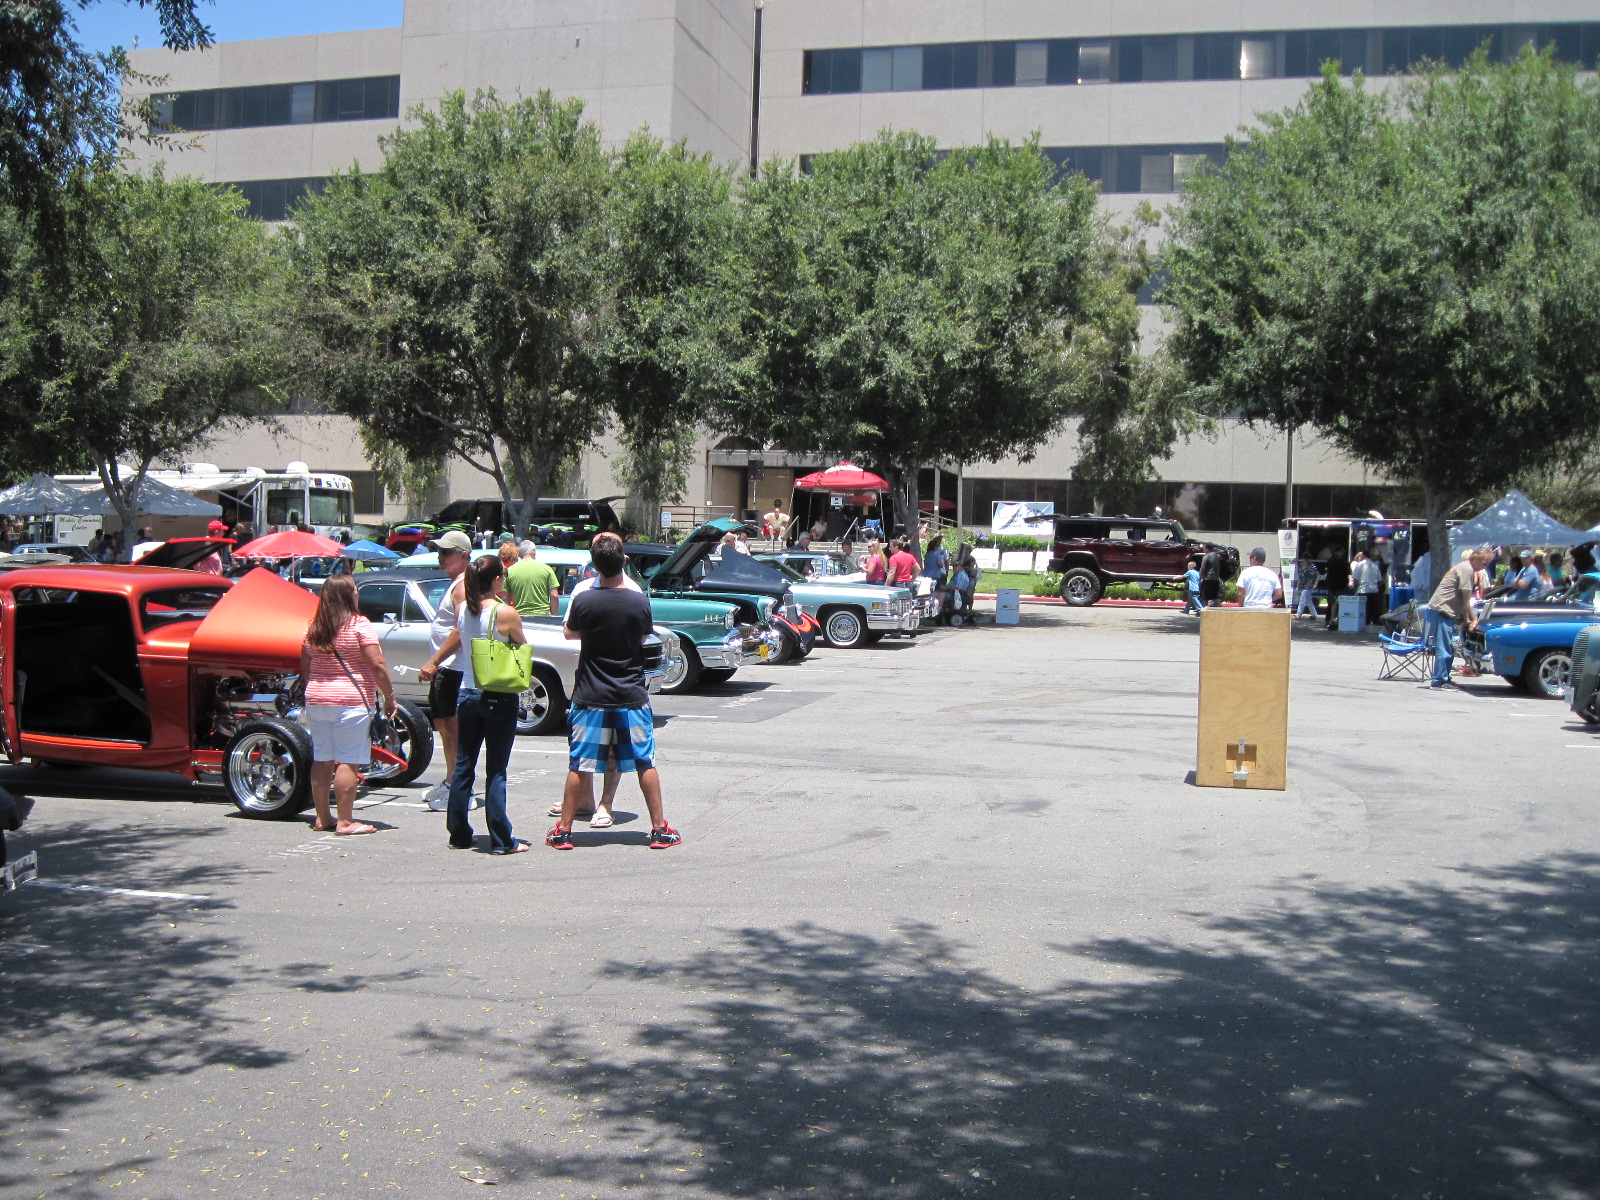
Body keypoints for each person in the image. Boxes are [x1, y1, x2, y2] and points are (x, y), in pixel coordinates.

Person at [549, 532, 680, 851]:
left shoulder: (584, 599)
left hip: (590, 693)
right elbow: (642, 637)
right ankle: (658, 829)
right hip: (630, 693)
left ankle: (564, 831)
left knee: (579, 762)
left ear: (594, 565)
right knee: (644, 761)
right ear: (623, 561)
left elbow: (569, 633)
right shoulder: (638, 600)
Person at [420, 555, 530, 854]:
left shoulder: (463, 611)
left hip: (467, 692)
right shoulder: (505, 613)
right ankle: (502, 839)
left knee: (464, 765)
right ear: (496, 580)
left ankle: (458, 833)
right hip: (498, 694)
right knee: (496, 768)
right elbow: (521, 645)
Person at [299, 576, 395, 836]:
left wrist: (318, 687)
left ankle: (322, 816)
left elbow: (306, 665)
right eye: (354, 589)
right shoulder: (359, 624)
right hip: (350, 701)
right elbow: (377, 664)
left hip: (317, 699)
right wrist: (389, 695)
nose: (357, 592)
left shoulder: (314, 627)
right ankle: (345, 821)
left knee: (322, 758)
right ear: (347, 595)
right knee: (349, 760)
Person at [421, 530, 472, 810]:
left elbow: (460, 629)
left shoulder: (463, 586)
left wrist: (434, 661)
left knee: (453, 730)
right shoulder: (455, 584)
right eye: (439, 552)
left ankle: (460, 787)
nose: (441, 557)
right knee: (443, 726)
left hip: (454, 669)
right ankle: (452, 780)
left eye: (446, 553)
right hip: (447, 669)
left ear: (463, 556)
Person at [1427, 547, 1488, 689]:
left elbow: (1462, 599)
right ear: (1475, 558)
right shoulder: (1467, 570)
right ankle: (1439, 681)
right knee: (1444, 647)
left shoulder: (1465, 568)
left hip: (1444, 611)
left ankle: (1445, 677)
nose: (1484, 567)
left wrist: (1466, 620)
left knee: (1449, 647)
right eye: (1484, 563)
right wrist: (1474, 619)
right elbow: (1467, 599)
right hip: (1441, 611)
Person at [506, 539, 559, 617]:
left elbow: (505, 597)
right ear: (534, 552)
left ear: (519, 554)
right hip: (543, 615)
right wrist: (553, 616)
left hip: (520, 616)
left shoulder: (509, 571)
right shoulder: (547, 569)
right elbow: (554, 595)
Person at [1323, 548, 1351, 630]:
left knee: (1332, 603)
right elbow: (1346, 571)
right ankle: (1335, 621)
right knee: (1338, 604)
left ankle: (1329, 620)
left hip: (1331, 585)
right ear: (1337, 552)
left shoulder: (1330, 560)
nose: (1343, 553)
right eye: (1342, 552)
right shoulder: (1340, 561)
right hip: (1340, 586)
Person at [1292, 554, 1320, 619]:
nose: (1305, 560)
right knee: (1308, 600)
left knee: (1302, 599)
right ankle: (1314, 614)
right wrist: (1298, 583)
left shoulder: (1312, 566)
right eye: (1304, 559)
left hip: (1309, 584)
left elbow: (1318, 575)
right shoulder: (1301, 565)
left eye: (1307, 559)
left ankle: (1298, 614)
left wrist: (1315, 583)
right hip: (1303, 584)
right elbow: (1300, 575)